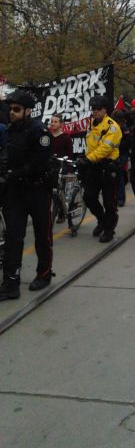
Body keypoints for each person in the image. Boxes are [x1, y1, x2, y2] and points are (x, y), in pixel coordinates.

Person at [0, 90, 54, 300]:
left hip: (38, 190)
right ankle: (11, 283)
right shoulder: (12, 130)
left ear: (28, 111)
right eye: (10, 109)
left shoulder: (39, 132)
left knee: (43, 235)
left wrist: (14, 173)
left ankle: (44, 273)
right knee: (13, 237)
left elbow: (39, 164)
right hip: (16, 191)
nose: (12, 113)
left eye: (16, 109)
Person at [79, 95, 122, 243]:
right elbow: (90, 144)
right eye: (93, 109)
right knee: (88, 197)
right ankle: (102, 221)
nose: (95, 112)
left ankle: (109, 229)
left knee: (109, 202)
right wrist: (84, 157)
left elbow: (105, 148)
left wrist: (88, 159)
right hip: (94, 167)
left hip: (108, 168)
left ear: (105, 110)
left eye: (98, 109)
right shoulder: (91, 124)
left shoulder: (112, 127)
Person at [111, 109, 131, 208]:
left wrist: (117, 145)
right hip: (113, 153)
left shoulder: (123, 127)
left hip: (122, 153)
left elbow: (128, 142)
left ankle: (120, 198)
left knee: (119, 175)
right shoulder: (111, 127)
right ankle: (115, 197)